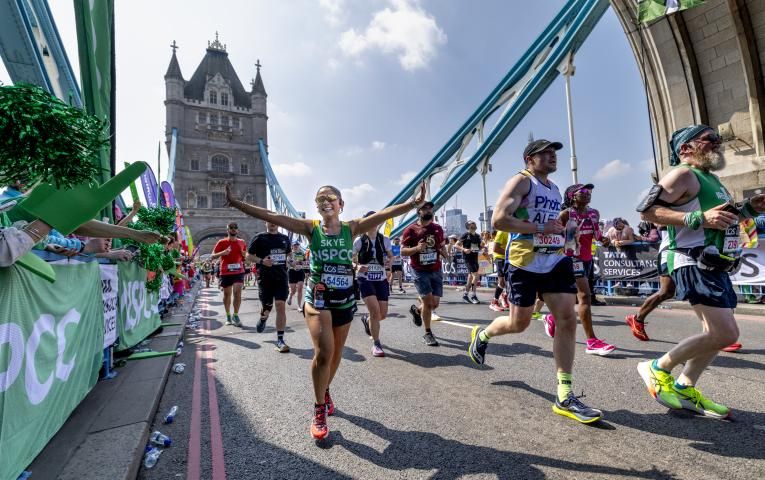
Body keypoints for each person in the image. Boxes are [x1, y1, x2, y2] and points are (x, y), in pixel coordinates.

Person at [226, 181, 426, 440]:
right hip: (318, 300)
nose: (326, 201)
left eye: (332, 197)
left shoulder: (351, 228)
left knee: (336, 355)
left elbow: (382, 215)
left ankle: (325, 390)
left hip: (344, 300)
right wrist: (236, 203)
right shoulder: (311, 229)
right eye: (320, 198)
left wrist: (413, 204)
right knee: (324, 352)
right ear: (317, 207)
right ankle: (319, 409)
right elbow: (272, 215)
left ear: (341, 205)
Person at [467, 138, 603, 424]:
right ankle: (482, 335)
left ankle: (565, 394)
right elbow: (500, 221)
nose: (553, 157)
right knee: (519, 324)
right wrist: (541, 227)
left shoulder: (554, 189)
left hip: (555, 260)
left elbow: (555, 225)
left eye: (554, 153)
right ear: (529, 159)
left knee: (567, 319)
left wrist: (567, 234)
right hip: (524, 262)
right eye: (546, 153)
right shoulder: (520, 182)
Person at [635, 124, 765, 418]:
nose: (718, 144)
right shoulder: (682, 174)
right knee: (726, 332)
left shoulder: (711, 179)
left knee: (716, 333)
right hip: (691, 260)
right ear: (686, 149)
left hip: (715, 261)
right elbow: (648, 211)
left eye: (718, 139)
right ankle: (657, 367)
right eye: (710, 140)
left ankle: (684, 386)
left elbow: (719, 217)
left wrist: (748, 209)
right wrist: (696, 217)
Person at [543, 183, 615, 356]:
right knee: (585, 296)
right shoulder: (566, 214)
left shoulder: (594, 213)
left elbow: (597, 234)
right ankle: (591, 341)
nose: (587, 194)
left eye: (589, 192)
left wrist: (604, 240)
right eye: (583, 192)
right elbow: (552, 233)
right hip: (571, 257)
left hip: (587, 258)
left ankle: (552, 317)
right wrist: (566, 236)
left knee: (573, 298)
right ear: (572, 196)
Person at [402, 201, 450, 346]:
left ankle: (417, 311)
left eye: (430, 208)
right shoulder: (410, 230)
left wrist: (444, 253)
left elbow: (441, 246)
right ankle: (428, 333)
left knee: (434, 304)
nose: (429, 210)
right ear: (419, 212)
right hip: (420, 270)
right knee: (428, 303)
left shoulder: (437, 228)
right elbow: (403, 251)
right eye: (425, 208)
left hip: (435, 269)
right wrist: (416, 248)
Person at [353, 212, 394, 357]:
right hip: (365, 279)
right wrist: (356, 266)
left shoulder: (385, 240)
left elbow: (390, 256)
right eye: (370, 220)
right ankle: (376, 344)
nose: (374, 223)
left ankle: (367, 320)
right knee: (375, 312)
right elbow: (349, 258)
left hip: (381, 279)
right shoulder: (359, 241)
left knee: (382, 314)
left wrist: (390, 263)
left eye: (376, 220)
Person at [248, 221, 292, 352]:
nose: (273, 223)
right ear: (265, 222)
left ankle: (280, 340)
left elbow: (289, 255)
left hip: (281, 278)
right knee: (267, 307)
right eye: (270, 221)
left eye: (275, 221)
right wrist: (262, 261)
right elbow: (248, 256)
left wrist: (291, 260)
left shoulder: (284, 239)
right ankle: (263, 318)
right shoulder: (259, 238)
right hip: (265, 279)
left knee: (280, 305)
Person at [625, 225, 674, 341]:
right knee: (665, 291)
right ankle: (637, 319)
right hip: (671, 252)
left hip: (690, 252)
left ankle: (716, 332)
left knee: (669, 292)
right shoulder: (672, 209)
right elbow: (659, 225)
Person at [211, 222, 247, 327]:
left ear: (237, 230)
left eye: (235, 228)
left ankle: (235, 315)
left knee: (237, 293)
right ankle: (228, 315)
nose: (233, 229)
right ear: (227, 230)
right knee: (227, 295)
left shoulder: (242, 242)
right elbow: (213, 256)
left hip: (238, 271)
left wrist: (245, 255)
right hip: (225, 272)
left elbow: (245, 256)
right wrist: (223, 253)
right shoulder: (221, 242)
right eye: (231, 228)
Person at [460, 220, 483, 304]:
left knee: (470, 277)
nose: (474, 225)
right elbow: (456, 245)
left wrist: (483, 248)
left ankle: (465, 295)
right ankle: (473, 295)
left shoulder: (477, 236)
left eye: (474, 224)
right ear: (468, 226)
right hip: (468, 258)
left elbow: (478, 247)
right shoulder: (466, 235)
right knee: (476, 275)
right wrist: (464, 249)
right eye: (472, 224)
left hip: (475, 257)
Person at [489, 230, 510, 312]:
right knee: (502, 282)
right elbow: (495, 248)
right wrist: (510, 253)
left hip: (510, 259)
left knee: (510, 281)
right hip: (500, 258)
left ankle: (504, 296)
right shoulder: (502, 232)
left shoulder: (514, 231)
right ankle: (494, 302)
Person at [287, 240, 308, 313]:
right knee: (293, 290)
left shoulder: (302, 253)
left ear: (299, 246)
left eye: (297, 245)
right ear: (292, 246)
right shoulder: (290, 254)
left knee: (300, 289)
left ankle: (299, 306)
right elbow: (290, 264)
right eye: (294, 245)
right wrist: (296, 262)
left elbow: (305, 262)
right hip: (292, 272)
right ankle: (290, 295)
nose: (296, 246)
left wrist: (302, 262)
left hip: (300, 272)